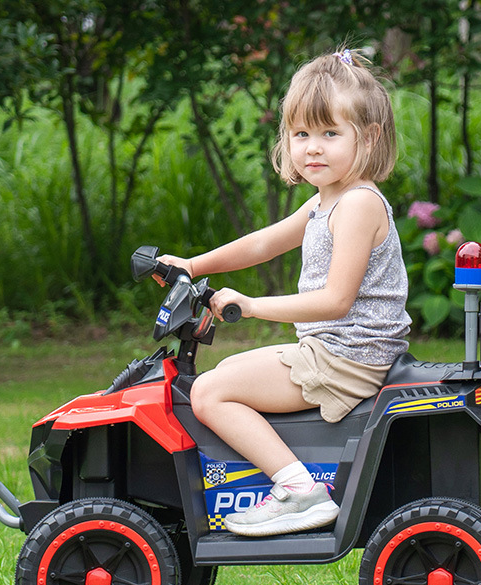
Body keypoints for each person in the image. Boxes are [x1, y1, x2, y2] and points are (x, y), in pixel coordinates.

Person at [156, 48, 411, 537]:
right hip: (335, 351)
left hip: (348, 359)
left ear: (369, 137)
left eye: (330, 134)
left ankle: (298, 490)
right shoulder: (325, 201)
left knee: (208, 393)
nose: (313, 148)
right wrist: (192, 264)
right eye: (301, 134)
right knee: (225, 373)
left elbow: (336, 300)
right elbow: (263, 243)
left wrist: (251, 306)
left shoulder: (358, 204)